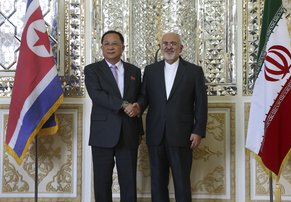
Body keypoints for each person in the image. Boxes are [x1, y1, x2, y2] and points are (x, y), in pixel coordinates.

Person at [137, 32, 208, 202]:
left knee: (182, 182)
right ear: (160, 47)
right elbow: (144, 97)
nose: (169, 47)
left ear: (181, 48)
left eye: (173, 44)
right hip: (156, 134)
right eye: (165, 43)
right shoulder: (150, 70)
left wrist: (198, 130)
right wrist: (137, 106)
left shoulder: (194, 71)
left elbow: (201, 104)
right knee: (157, 182)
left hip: (182, 135)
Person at [84, 30, 143, 202]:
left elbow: (141, 95)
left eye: (114, 43)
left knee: (129, 182)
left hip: (129, 133)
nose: (110, 47)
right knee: (102, 182)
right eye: (106, 44)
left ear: (123, 47)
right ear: (101, 47)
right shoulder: (92, 70)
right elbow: (97, 95)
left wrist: (138, 107)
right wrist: (124, 105)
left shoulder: (134, 71)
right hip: (102, 134)